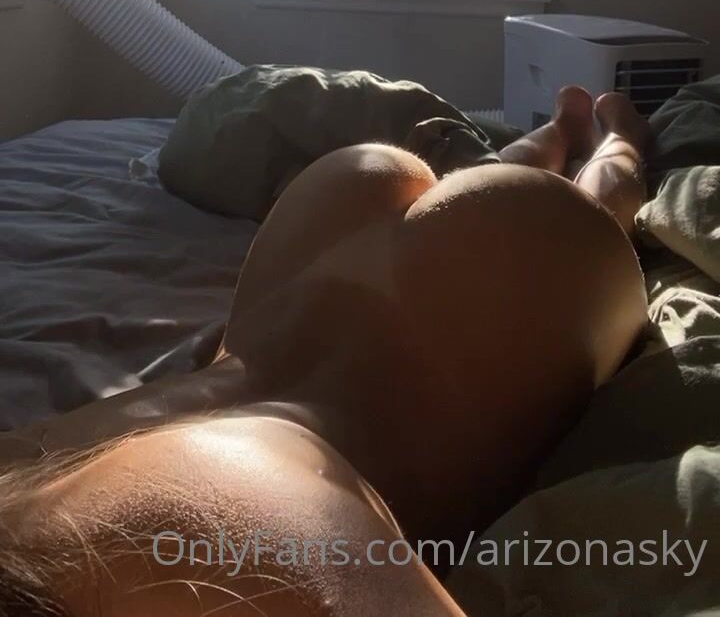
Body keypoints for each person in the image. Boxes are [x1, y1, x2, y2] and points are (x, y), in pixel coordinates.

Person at [0, 87, 650, 616]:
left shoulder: (187, 572)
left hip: (397, 303)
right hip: (325, 241)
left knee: (578, 199)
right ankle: (584, 133)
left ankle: (598, 136)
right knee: (521, 190)